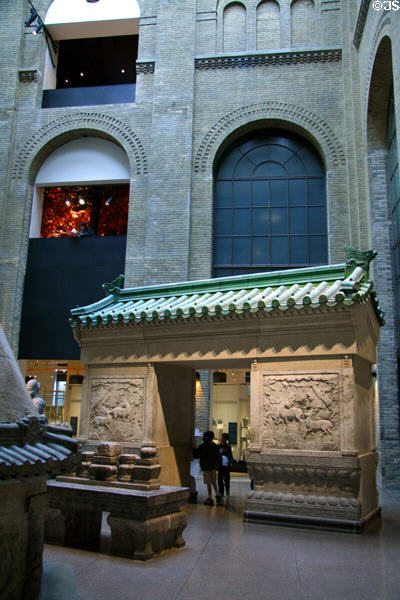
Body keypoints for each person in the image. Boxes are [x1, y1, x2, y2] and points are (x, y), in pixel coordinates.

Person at [193, 430, 221, 505]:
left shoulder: (203, 446)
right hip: (213, 466)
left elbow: (197, 455)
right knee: (214, 481)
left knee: (208, 482)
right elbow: (218, 456)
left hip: (206, 466)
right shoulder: (215, 446)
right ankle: (217, 493)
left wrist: (194, 448)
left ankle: (210, 497)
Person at [218, 433, 233, 498]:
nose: (221, 439)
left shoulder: (228, 447)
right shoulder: (218, 446)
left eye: (222, 438)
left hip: (226, 465)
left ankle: (227, 490)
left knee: (226, 478)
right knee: (220, 478)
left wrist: (228, 463)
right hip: (220, 465)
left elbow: (231, 457)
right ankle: (221, 491)